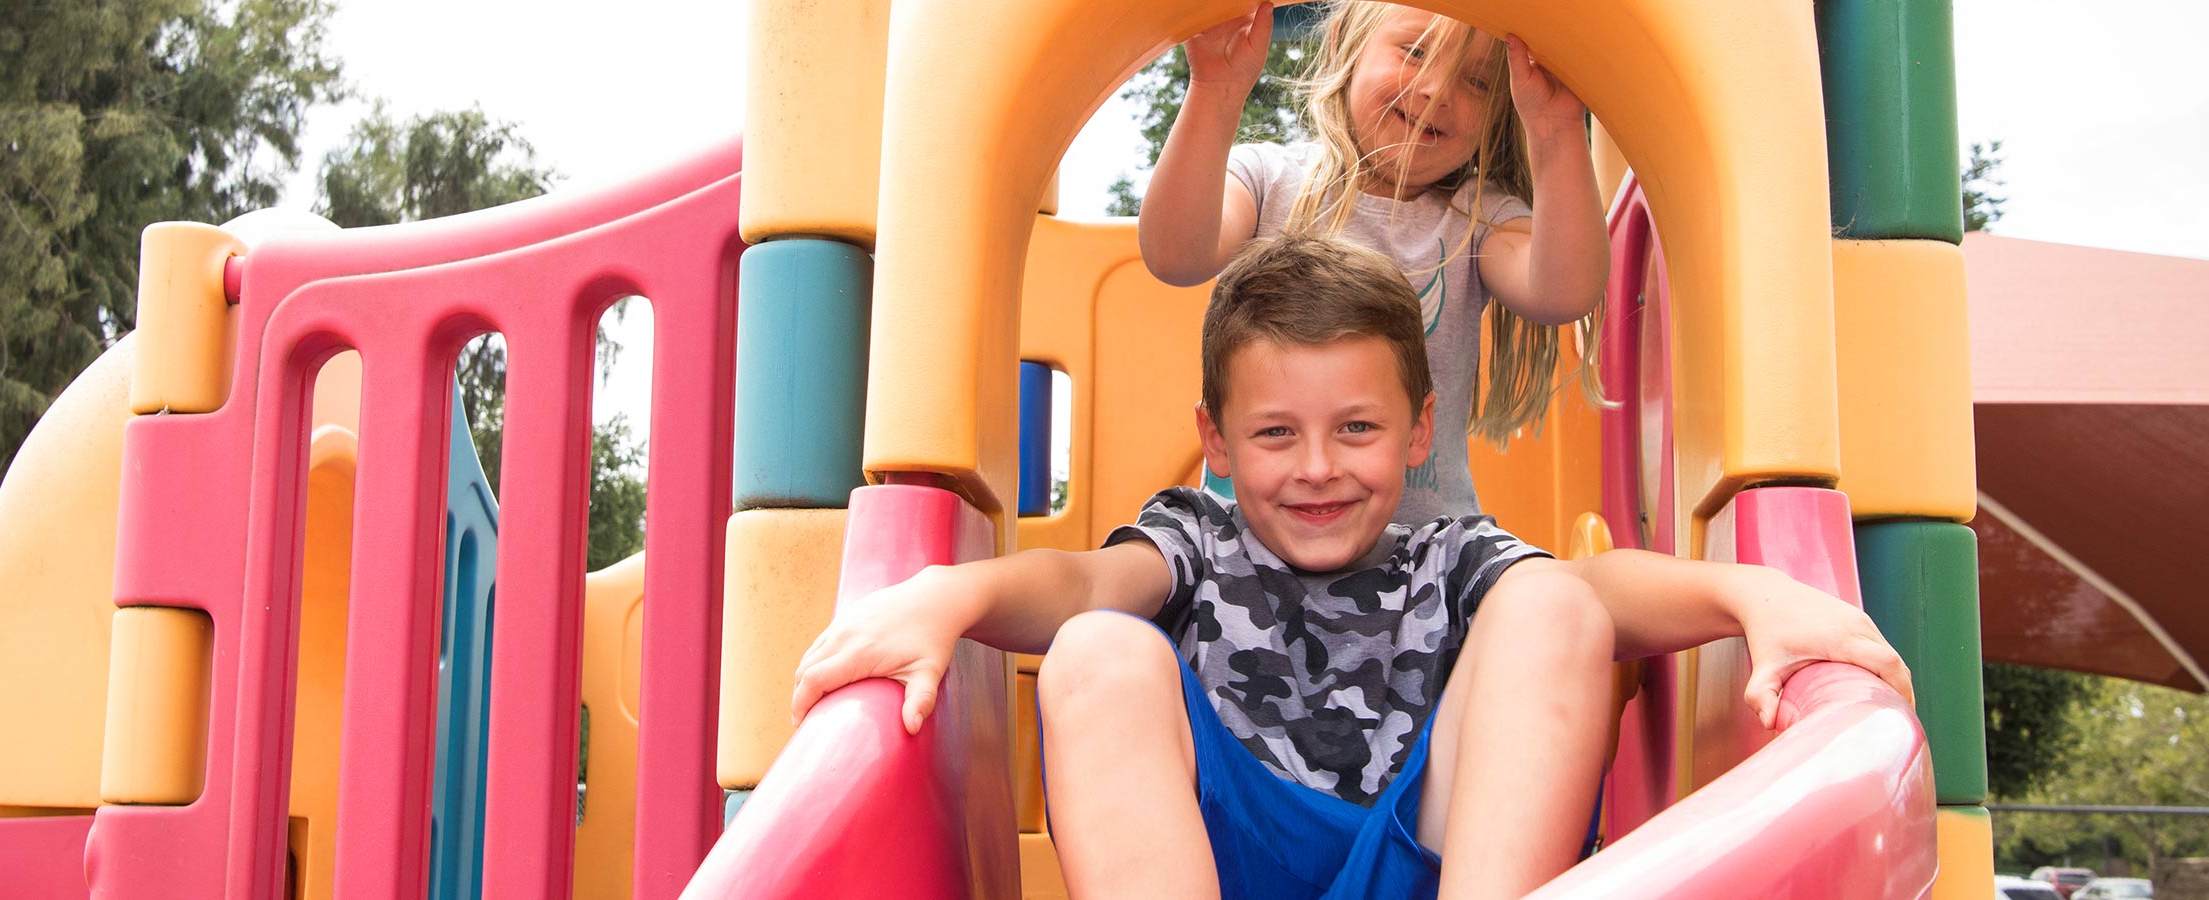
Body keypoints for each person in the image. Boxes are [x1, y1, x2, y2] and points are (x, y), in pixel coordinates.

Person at [789, 235, 1911, 900]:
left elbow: (1599, 599)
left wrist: (1750, 594)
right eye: (1274, 435)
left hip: (1413, 859)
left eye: (1357, 430)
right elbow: (1081, 587)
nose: (1316, 469)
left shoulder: (1439, 552)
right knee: (1093, 651)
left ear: (1420, 432)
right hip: (1231, 857)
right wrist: (949, 594)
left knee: (1551, 609)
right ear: (1217, 441)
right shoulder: (1195, 537)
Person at [1137, 1, 1611, 527]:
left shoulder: (1477, 215)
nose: (1436, 91)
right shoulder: (1269, 180)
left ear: (1503, 110)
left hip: (1420, 561)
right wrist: (1217, 92)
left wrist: (1555, 131)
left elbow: (1565, 293)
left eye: (1477, 83)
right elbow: (1175, 255)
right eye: (1413, 52)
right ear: (1346, 41)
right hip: (1248, 553)